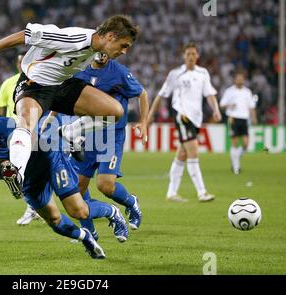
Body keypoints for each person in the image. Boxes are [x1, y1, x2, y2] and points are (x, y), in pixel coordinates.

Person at [0, 15, 140, 198]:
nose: (124, 51)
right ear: (110, 36)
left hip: (63, 85)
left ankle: (70, 132)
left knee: (114, 111)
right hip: (35, 84)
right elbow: (27, 34)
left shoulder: (98, 49)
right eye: (124, 45)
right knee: (25, 125)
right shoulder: (73, 39)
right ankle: (16, 173)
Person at [0, 117, 129, 264]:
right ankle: (85, 237)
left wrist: (15, 162)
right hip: (29, 183)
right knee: (55, 221)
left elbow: (26, 134)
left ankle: (113, 212)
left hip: (48, 159)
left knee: (78, 211)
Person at [43, 53, 148, 238]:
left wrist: (144, 121)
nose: (102, 54)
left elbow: (141, 93)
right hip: (87, 135)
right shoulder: (80, 70)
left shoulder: (119, 72)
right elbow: (65, 95)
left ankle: (131, 202)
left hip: (111, 134)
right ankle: (89, 232)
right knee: (78, 190)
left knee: (105, 186)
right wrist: (51, 117)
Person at [148, 42, 222, 203]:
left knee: (182, 154)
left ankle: (171, 193)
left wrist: (216, 109)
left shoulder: (203, 73)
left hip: (196, 119)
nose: (191, 57)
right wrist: (151, 115)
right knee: (193, 152)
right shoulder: (175, 74)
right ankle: (202, 192)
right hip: (182, 117)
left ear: (198, 56)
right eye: (188, 54)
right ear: (183, 56)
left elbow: (209, 95)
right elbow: (161, 95)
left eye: (193, 54)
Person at [0, 53, 41, 225]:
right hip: (12, 133)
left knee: (30, 170)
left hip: (32, 130)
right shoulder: (8, 83)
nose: (22, 64)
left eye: (24, 61)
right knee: (21, 170)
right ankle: (34, 207)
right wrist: (0, 128)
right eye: (19, 61)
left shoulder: (40, 80)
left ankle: (34, 207)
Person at [219, 72, 257, 174]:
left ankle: (236, 160)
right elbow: (221, 105)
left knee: (246, 144)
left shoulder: (247, 92)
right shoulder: (229, 91)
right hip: (233, 118)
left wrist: (254, 118)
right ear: (234, 80)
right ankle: (236, 166)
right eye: (238, 78)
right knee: (234, 143)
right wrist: (229, 105)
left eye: (241, 79)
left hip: (244, 118)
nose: (240, 80)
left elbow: (251, 107)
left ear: (244, 80)